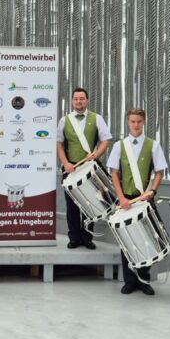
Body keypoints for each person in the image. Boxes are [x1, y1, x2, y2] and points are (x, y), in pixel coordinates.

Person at [107, 108, 168, 296]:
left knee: (146, 239)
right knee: (127, 241)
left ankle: (144, 280)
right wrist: (121, 197)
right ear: (128, 122)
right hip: (125, 198)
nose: (135, 125)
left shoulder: (153, 145)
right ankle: (129, 281)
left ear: (144, 122)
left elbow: (159, 172)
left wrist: (152, 191)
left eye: (139, 121)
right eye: (132, 121)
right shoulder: (119, 146)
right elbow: (114, 173)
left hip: (144, 199)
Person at [56, 87, 112, 249]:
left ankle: (87, 238)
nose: (78, 101)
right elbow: (59, 144)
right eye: (76, 99)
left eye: (81, 98)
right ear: (72, 101)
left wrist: (95, 155)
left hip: (89, 168)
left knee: (90, 203)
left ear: (87, 100)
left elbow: (106, 140)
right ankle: (74, 237)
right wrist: (65, 163)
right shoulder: (64, 120)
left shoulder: (97, 118)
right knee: (72, 205)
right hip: (70, 168)